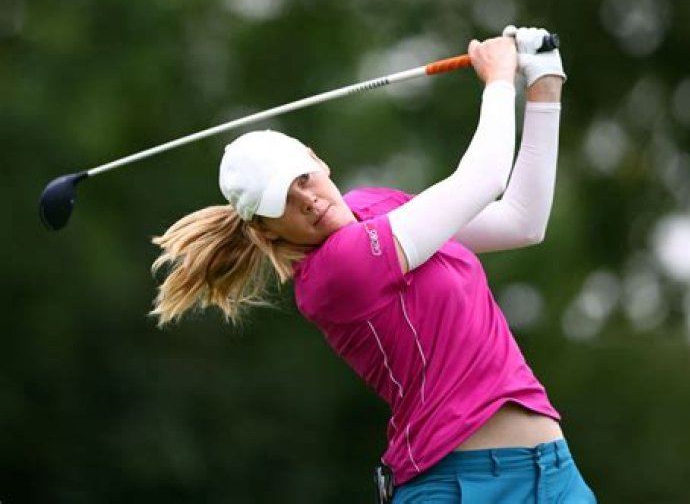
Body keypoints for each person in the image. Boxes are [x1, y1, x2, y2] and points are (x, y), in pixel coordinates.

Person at [150, 26, 596, 503]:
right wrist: (499, 79)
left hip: (554, 472)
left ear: (318, 161)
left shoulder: (375, 204)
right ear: (267, 231)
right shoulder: (335, 271)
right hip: (458, 485)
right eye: (284, 201)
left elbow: (521, 222)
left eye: (303, 178)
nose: (307, 199)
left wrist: (544, 81)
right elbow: (484, 178)